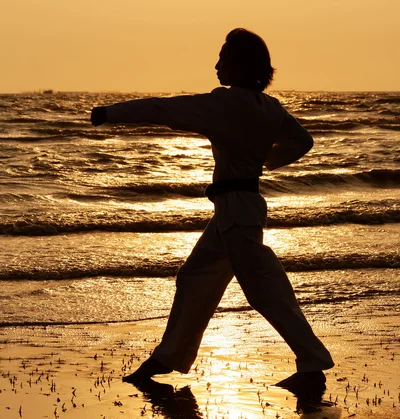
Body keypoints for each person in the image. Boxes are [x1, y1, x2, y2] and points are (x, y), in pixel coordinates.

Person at [91, 28, 334, 393]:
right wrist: (266, 159)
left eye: (223, 57)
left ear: (239, 64)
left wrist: (110, 113)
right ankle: (167, 358)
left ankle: (312, 363)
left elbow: (163, 108)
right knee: (195, 278)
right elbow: (303, 140)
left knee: (265, 289)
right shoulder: (269, 107)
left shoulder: (224, 103)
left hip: (236, 210)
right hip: (237, 209)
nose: (217, 65)